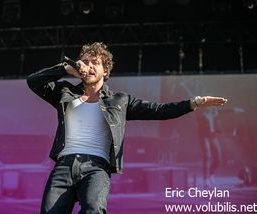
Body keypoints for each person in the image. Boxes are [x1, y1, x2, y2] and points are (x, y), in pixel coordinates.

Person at [26, 42, 227, 214]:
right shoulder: (65, 92)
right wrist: (64, 69)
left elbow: (159, 110)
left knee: (94, 208)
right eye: (85, 62)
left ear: (106, 70)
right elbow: (33, 81)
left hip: (96, 168)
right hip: (63, 166)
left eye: (95, 63)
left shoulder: (120, 100)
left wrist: (195, 102)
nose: (89, 66)